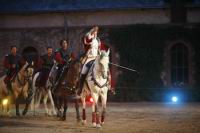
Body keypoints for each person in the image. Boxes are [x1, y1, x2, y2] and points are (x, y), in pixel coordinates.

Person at [77, 26, 101, 96]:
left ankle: (108, 85)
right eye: (94, 32)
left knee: (105, 69)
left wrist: (101, 57)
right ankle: (80, 88)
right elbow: (87, 40)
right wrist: (92, 31)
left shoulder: (98, 40)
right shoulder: (88, 38)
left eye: (96, 32)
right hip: (89, 58)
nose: (95, 33)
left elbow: (99, 49)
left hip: (97, 58)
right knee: (83, 71)